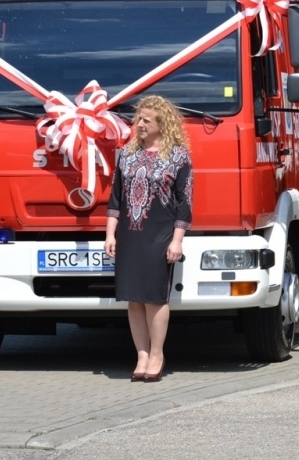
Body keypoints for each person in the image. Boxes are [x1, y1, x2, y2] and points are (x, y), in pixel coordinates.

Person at [105, 95, 193, 383]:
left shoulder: (178, 157)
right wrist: (110, 234)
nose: (139, 124)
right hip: (130, 235)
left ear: (162, 124)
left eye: (146, 120)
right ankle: (141, 355)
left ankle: (157, 354)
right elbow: (115, 198)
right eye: (138, 119)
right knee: (134, 298)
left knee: (154, 298)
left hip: (160, 235)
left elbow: (185, 202)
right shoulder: (126, 155)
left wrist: (177, 240)